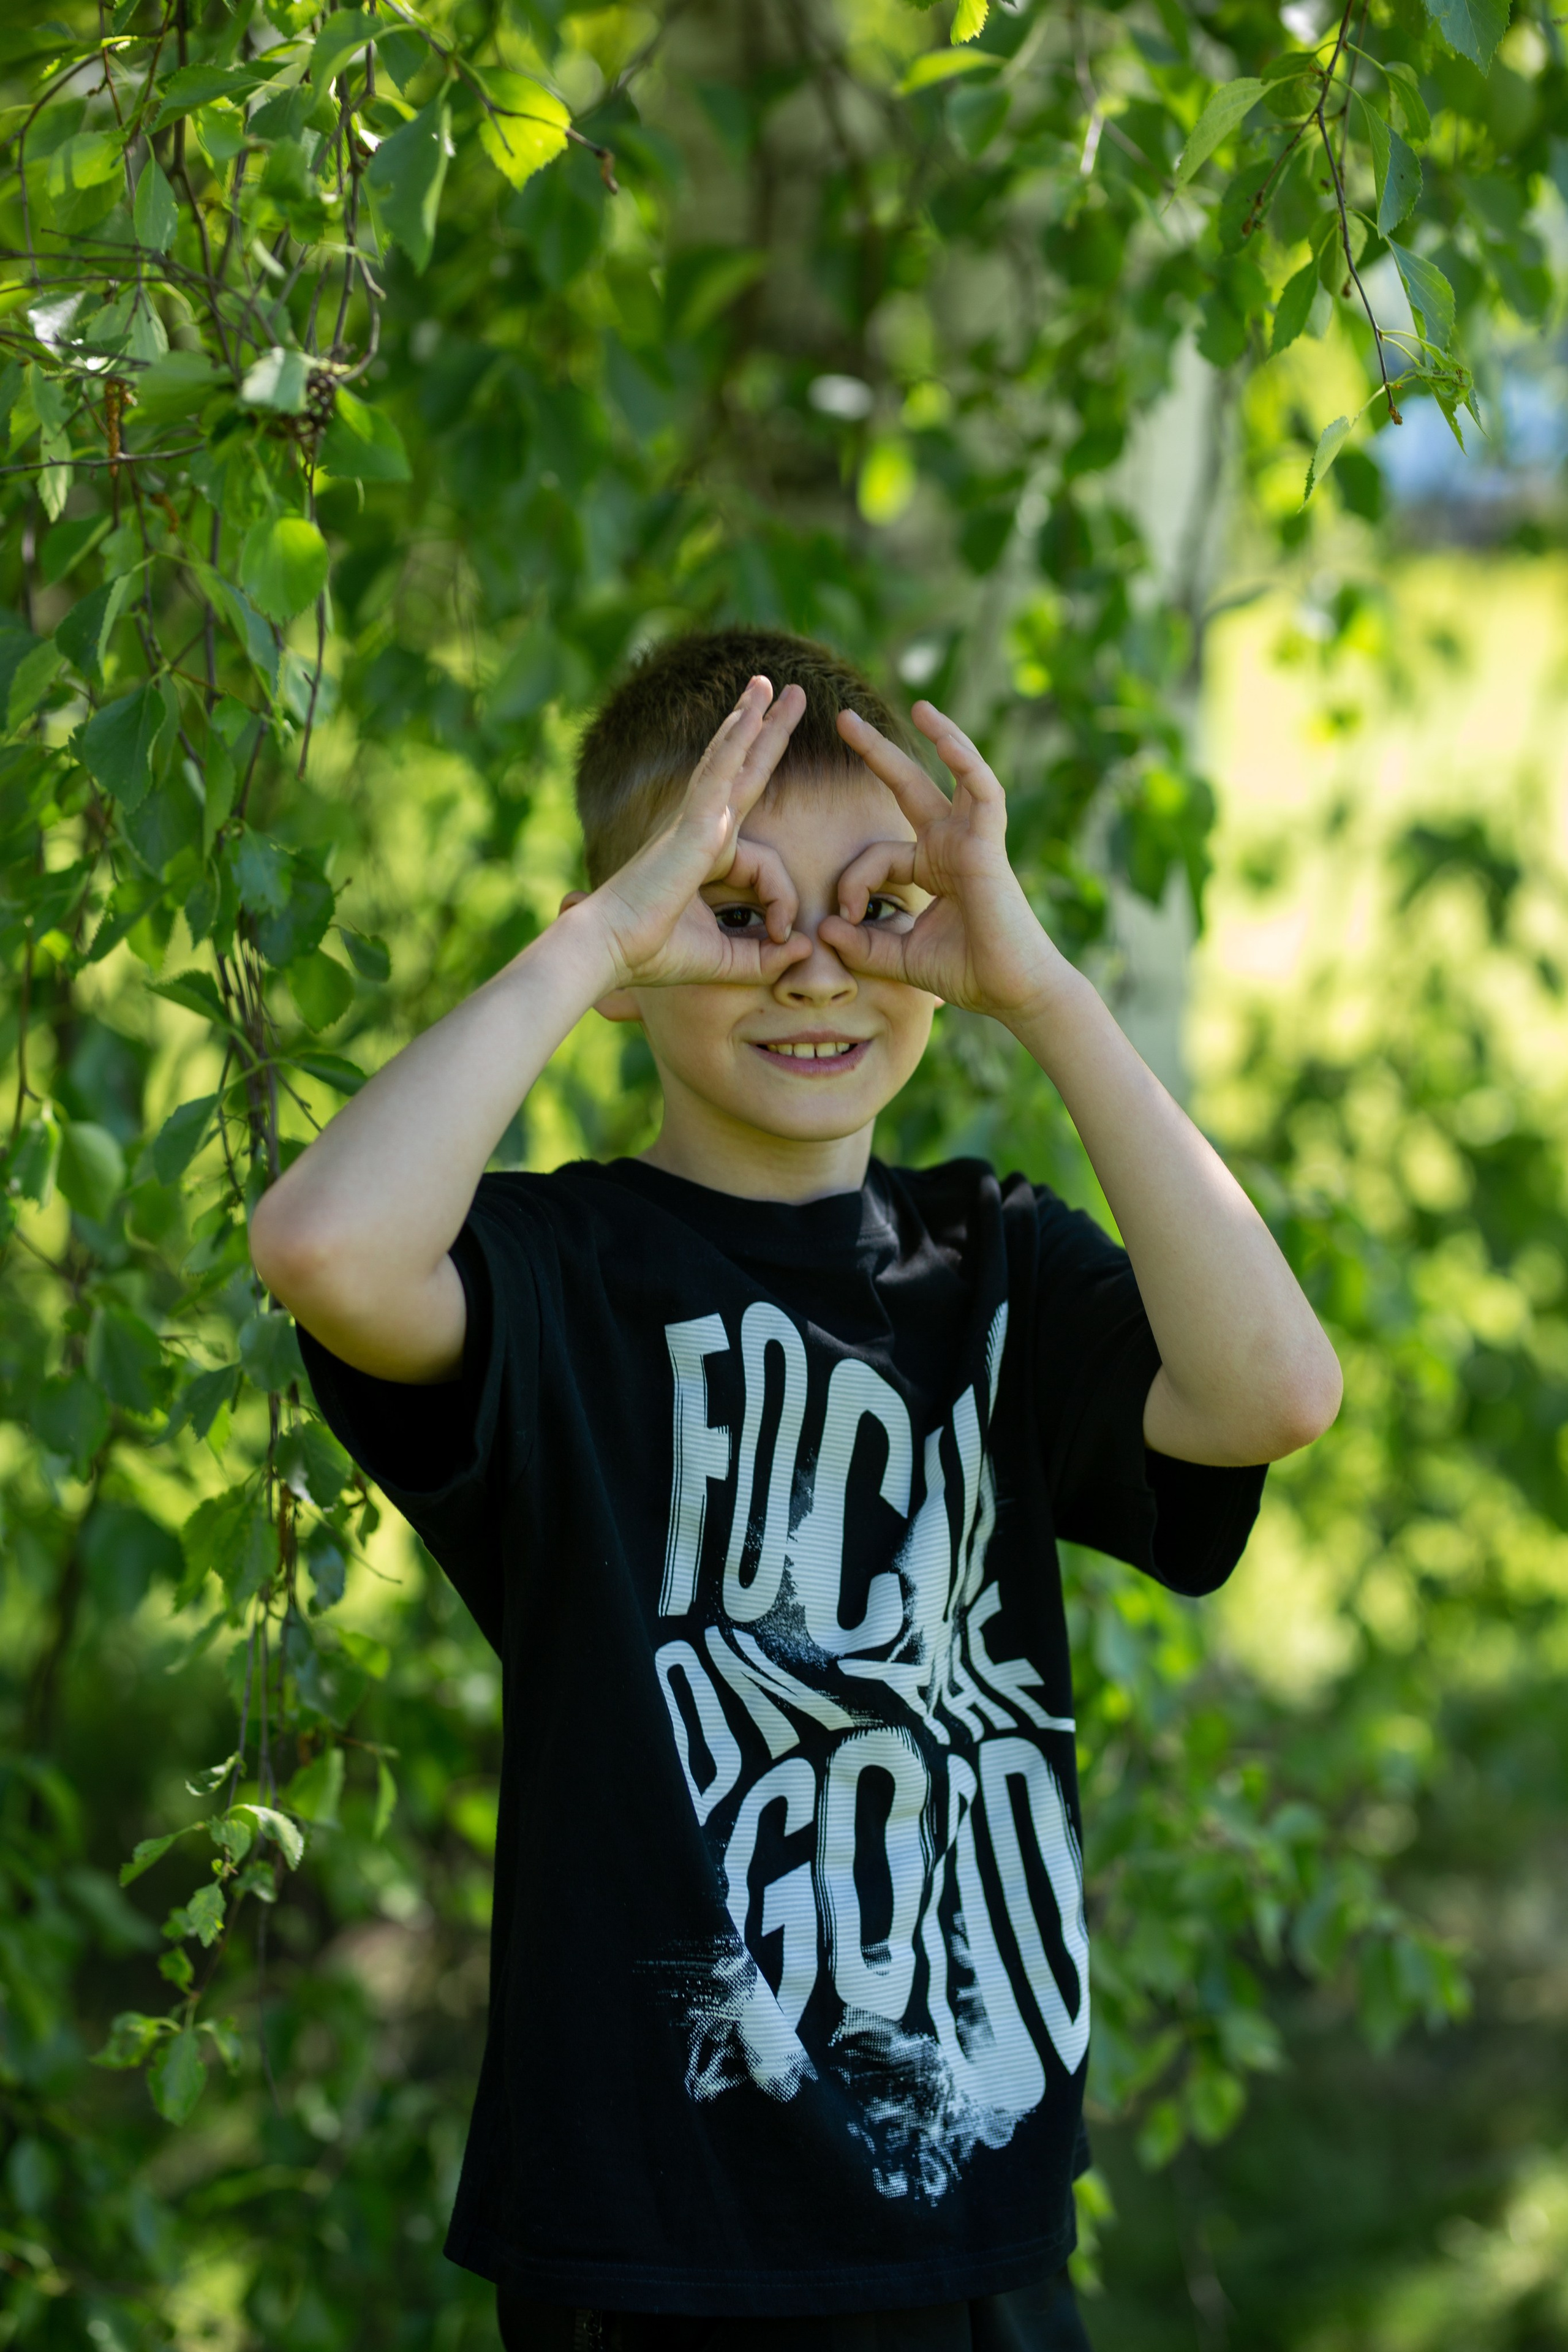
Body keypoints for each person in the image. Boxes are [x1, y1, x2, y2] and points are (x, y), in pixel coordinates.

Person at [249, 628, 1342, 2351]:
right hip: (653, 2255)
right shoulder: (561, 1278)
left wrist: (1041, 987)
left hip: (974, 2236)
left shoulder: (993, 1263)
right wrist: (606, 931)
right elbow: (320, 1245)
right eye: (738, 911)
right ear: (636, 943)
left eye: (877, 909)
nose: (814, 972)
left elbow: (1277, 1388)